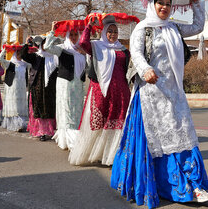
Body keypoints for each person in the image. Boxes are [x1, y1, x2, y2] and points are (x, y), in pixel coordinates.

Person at [111, 0, 208, 208]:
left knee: (181, 135)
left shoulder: (173, 28)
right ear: (152, 5)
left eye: (168, 4)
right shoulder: (143, 28)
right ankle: (167, 185)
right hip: (150, 94)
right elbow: (136, 52)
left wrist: (195, 2)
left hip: (174, 93)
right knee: (156, 141)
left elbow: (197, 26)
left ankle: (191, 185)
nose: (164, 8)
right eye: (161, 4)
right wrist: (146, 69)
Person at [68, 14, 132, 165]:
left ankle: (111, 156)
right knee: (99, 122)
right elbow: (83, 43)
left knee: (117, 122)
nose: (112, 34)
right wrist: (89, 26)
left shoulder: (123, 49)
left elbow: (128, 69)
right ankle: (93, 153)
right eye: (109, 31)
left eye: (115, 32)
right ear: (104, 32)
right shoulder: (97, 46)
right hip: (100, 90)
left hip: (121, 92)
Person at [43, 21, 86, 150]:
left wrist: (84, 53)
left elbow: (88, 66)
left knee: (77, 111)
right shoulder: (62, 49)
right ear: (67, 36)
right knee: (67, 111)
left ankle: (74, 137)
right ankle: (70, 141)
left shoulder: (81, 50)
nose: (73, 37)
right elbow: (47, 47)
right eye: (71, 34)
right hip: (65, 84)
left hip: (78, 85)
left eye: (76, 34)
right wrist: (52, 31)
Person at [20, 36, 57, 141]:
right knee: (39, 109)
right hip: (37, 87)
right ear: (41, 45)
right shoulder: (36, 56)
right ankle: (41, 131)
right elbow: (23, 55)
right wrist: (27, 44)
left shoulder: (55, 57)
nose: (45, 47)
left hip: (50, 88)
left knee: (49, 108)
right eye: (44, 44)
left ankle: (49, 131)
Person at [0, 46, 30, 131]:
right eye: (18, 54)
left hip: (22, 87)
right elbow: (0, 59)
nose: (20, 55)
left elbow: (33, 63)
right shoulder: (10, 63)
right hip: (13, 87)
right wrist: (5, 49)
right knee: (14, 104)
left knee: (20, 105)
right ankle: (16, 124)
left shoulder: (25, 64)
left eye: (21, 54)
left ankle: (21, 123)